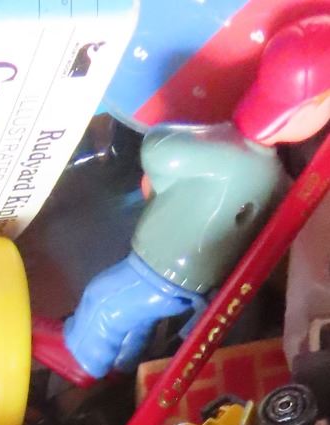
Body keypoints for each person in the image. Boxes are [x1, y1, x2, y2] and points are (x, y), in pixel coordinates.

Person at [35, 14, 330, 385]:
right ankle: (122, 362)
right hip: (194, 275)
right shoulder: (270, 169)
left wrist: (162, 183)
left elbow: (160, 149)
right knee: (138, 318)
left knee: (105, 301)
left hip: (160, 267)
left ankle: (81, 357)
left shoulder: (229, 153)